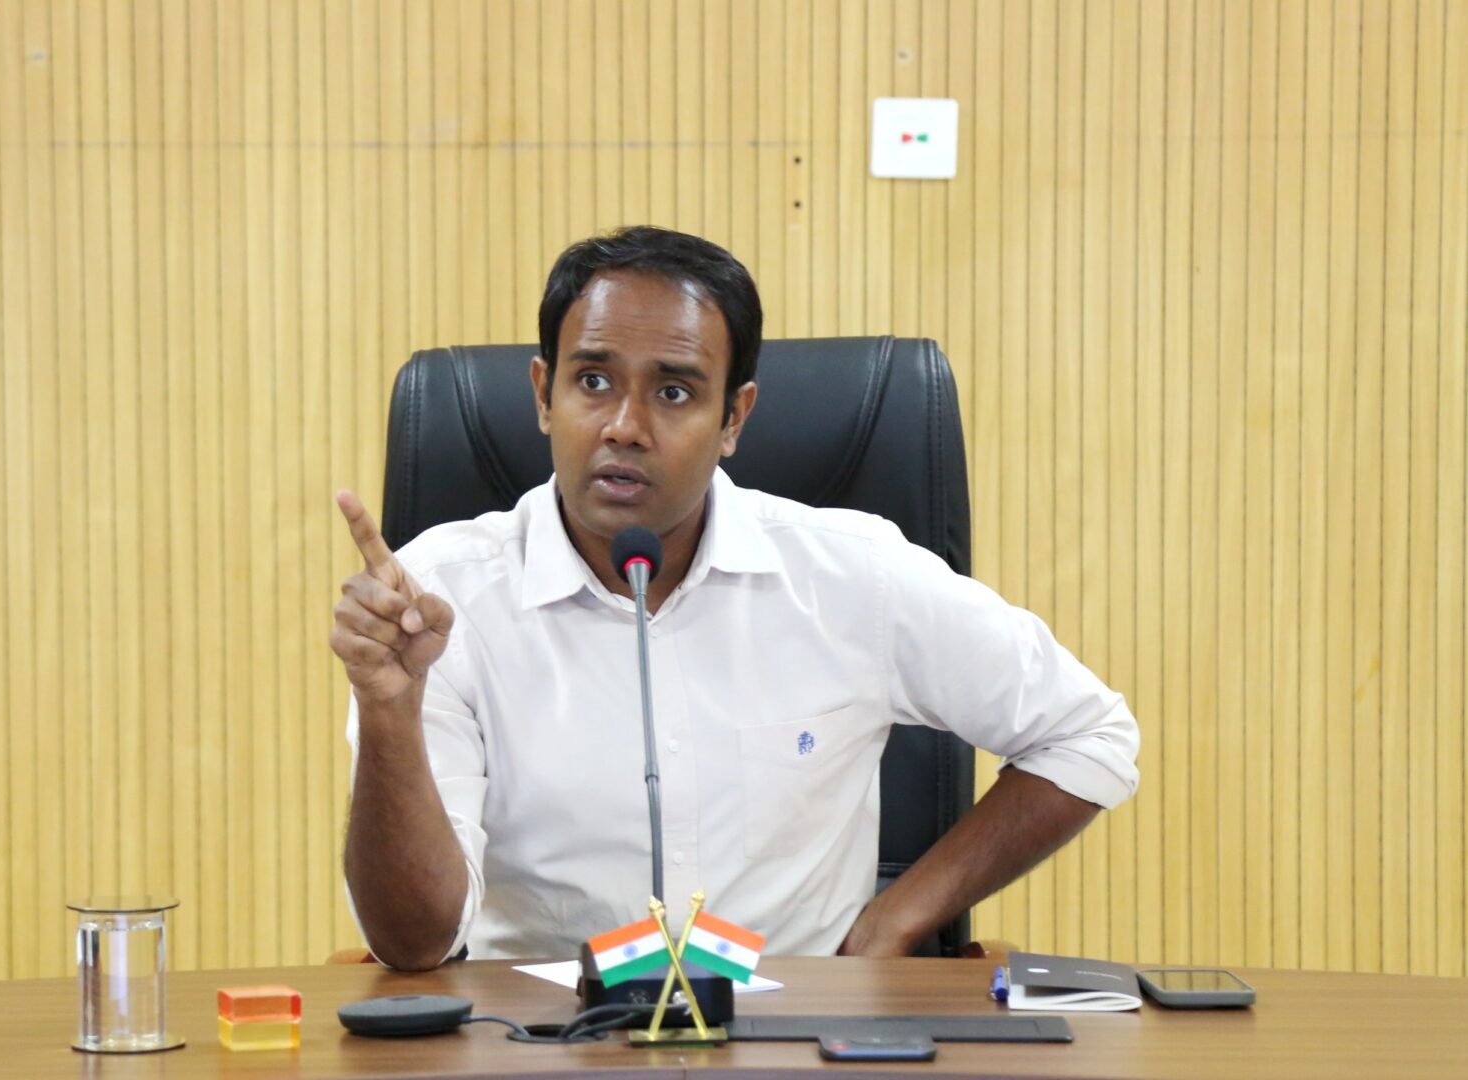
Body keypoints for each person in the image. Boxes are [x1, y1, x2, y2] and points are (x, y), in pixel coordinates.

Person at [330, 226, 1139, 970]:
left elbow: (1088, 734)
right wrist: (390, 710)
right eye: (592, 381)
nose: (624, 426)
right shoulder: (441, 597)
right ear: (544, 395)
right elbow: (415, 942)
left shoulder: (852, 576)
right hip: (534, 1036)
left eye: (674, 393)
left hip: (801, 1035)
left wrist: (897, 919)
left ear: (733, 418)